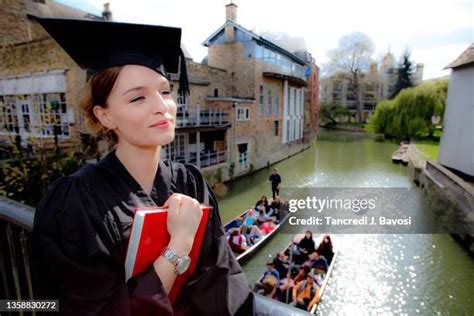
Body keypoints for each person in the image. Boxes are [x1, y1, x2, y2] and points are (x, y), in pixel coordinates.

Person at [31, 17, 253, 315]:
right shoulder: (75, 204)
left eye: (164, 91)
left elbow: (225, 284)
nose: (162, 106)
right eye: (137, 97)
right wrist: (179, 245)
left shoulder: (191, 182)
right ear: (105, 116)